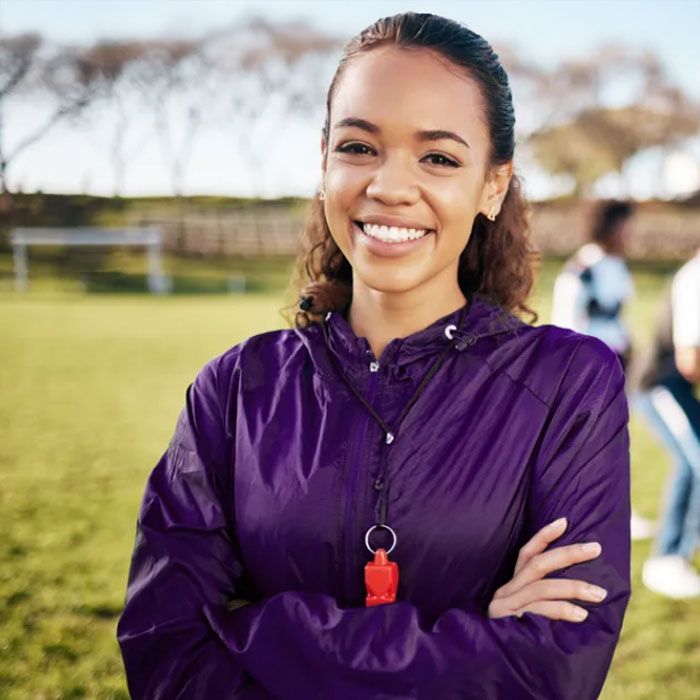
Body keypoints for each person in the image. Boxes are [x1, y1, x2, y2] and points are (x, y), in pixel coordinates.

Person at [116, 13, 631, 699]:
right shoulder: (235, 389)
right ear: (324, 160)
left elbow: (552, 672)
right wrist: (477, 636)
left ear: (492, 185)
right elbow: (167, 657)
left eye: (439, 157)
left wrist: (260, 630)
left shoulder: (570, 384)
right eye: (360, 147)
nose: (390, 185)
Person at [551, 200, 656, 541]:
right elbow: (566, 323)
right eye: (626, 225)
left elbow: (617, 315)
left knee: (615, 442)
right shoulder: (583, 268)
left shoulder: (616, 266)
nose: (630, 233)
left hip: (618, 362)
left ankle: (618, 512)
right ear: (608, 226)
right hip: (591, 370)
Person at [631, 248, 700, 599]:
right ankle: (667, 559)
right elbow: (690, 361)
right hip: (660, 386)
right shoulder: (696, 276)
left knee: (692, 465)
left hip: (678, 387)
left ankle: (672, 558)